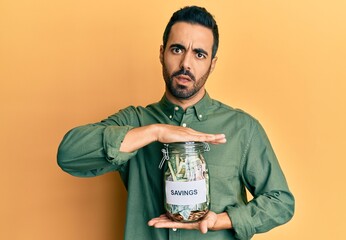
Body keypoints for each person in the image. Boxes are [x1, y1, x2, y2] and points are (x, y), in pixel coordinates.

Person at [57, 5, 295, 240]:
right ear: (162, 53)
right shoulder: (135, 121)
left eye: (199, 54)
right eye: (177, 49)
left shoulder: (242, 128)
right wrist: (155, 132)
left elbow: (281, 202)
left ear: (212, 63)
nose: (185, 64)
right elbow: (69, 154)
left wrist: (223, 220)